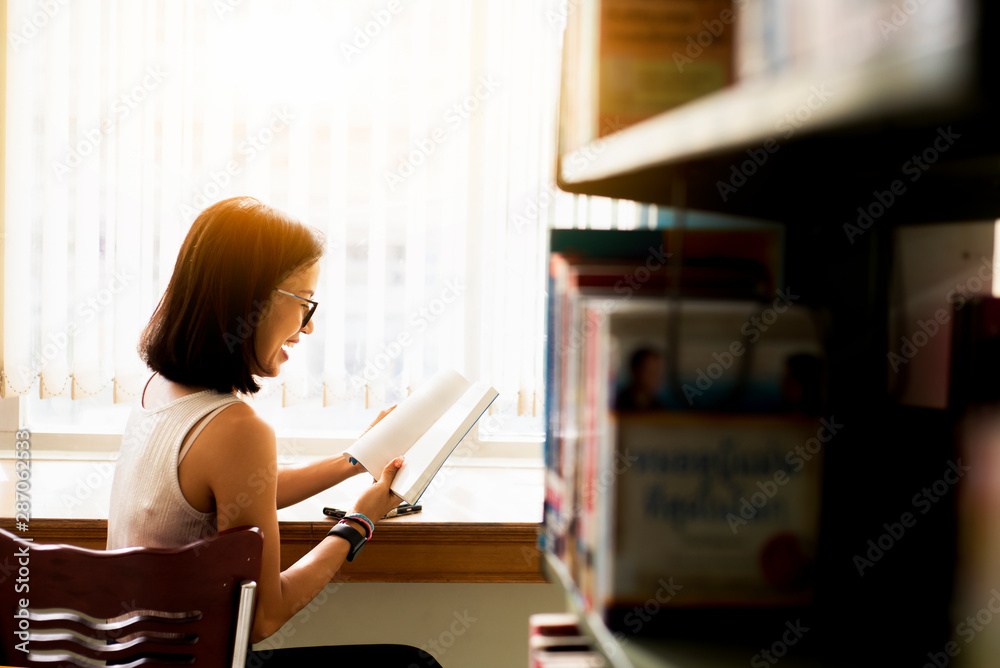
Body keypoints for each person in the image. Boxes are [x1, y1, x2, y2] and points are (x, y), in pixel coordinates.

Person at [107, 196, 440, 666]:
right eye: (305, 303)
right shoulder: (236, 427)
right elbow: (264, 617)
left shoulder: (160, 392)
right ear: (251, 300)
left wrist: (354, 460)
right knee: (414, 664)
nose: (307, 328)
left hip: (131, 658)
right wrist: (360, 522)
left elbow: (240, 491)